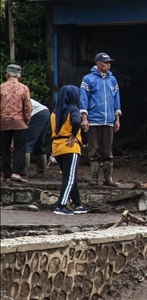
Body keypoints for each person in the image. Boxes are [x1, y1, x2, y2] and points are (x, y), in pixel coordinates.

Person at [80, 52, 122, 186]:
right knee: (94, 148)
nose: (108, 65)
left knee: (108, 149)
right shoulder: (88, 79)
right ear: (98, 64)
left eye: (109, 62)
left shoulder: (112, 80)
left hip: (109, 119)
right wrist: (84, 118)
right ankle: (94, 178)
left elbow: (116, 100)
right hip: (94, 119)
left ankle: (108, 179)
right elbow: (84, 99)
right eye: (106, 62)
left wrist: (117, 118)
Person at [50, 85, 87, 215]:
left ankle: (78, 204)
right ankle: (61, 205)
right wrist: (73, 136)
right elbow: (77, 122)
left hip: (57, 146)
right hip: (70, 146)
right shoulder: (73, 109)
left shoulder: (55, 111)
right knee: (70, 178)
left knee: (71, 176)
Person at [1, 63, 32, 182]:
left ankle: (7, 174)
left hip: (4, 123)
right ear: (19, 75)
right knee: (20, 148)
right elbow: (28, 107)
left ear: (8, 74)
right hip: (20, 123)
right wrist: (27, 119)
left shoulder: (1, 87)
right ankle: (17, 173)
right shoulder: (23, 88)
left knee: (4, 149)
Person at [25, 99, 50, 176]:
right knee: (39, 143)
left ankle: (22, 172)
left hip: (36, 114)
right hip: (45, 112)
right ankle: (41, 171)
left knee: (26, 144)